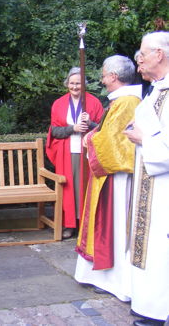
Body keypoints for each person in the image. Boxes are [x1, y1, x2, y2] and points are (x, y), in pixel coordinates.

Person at [74, 55, 141, 300]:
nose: (102, 79)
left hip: (117, 177)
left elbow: (116, 141)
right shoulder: (120, 101)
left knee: (113, 227)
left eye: (103, 74)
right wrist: (94, 130)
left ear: (113, 76)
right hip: (109, 175)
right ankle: (101, 276)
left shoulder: (128, 102)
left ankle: (114, 279)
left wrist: (90, 138)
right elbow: (108, 131)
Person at [124, 31, 169, 326]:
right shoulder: (155, 91)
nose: (138, 58)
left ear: (160, 55)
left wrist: (143, 138)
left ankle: (157, 308)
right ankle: (146, 303)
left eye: (144, 52)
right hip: (148, 183)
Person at [46, 67, 104, 239]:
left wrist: (91, 123)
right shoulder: (59, 104)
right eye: (72, 83)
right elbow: (54, 132)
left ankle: (87, 225)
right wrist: (73, 128)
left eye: (78, 83)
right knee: (69, 189)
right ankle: (69, 225)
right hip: (67, 153)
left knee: (86, 188)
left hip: (87, 153)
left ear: (84, 85)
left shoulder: (94, 103)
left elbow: (103, 128)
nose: (75, 86)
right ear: (67, 84)